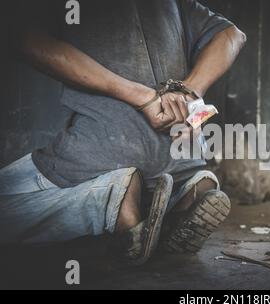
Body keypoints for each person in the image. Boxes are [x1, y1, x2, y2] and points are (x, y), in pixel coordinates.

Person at [0, 0, 246, 265]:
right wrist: (188, 91)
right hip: (183, 151)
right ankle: (184, 194)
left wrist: (143, 97)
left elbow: (22, 37)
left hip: (106, 150)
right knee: (169, 175)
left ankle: (108, 201)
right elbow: (232, 34)